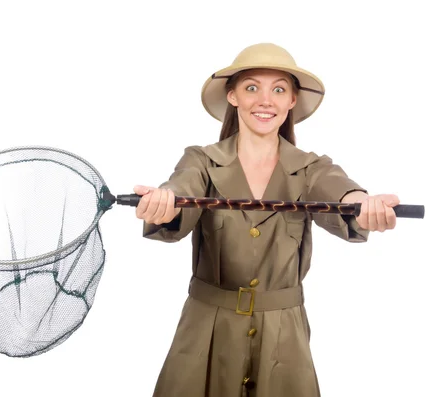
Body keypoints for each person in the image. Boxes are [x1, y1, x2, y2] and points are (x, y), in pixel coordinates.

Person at [133, 43, 399, 397]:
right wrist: (167, 204)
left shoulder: (310, 167)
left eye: (278, 89)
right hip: (206, 330)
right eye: (252, 88)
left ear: (291, 101)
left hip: (283, 336)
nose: (265, 100)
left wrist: (361, 203)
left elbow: (337, 189)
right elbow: (181, 187)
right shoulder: (202, 161)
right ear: (233, 97)